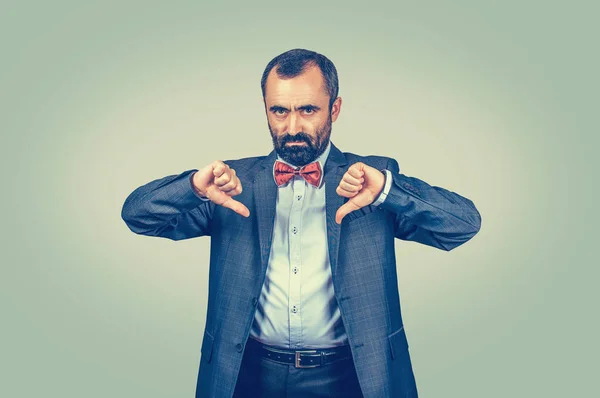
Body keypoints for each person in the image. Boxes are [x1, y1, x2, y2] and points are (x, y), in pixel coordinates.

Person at [121, 48, 482, 398]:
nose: (292, 126)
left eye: (308, 109)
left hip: (352, 375)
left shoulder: (369, 181)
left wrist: (390, 190)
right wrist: (193, 189)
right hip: (246, 375)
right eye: (279, 111)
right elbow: (138, 216)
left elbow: (462, 224)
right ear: (265, 109)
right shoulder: (230, 185)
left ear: (335, 108)